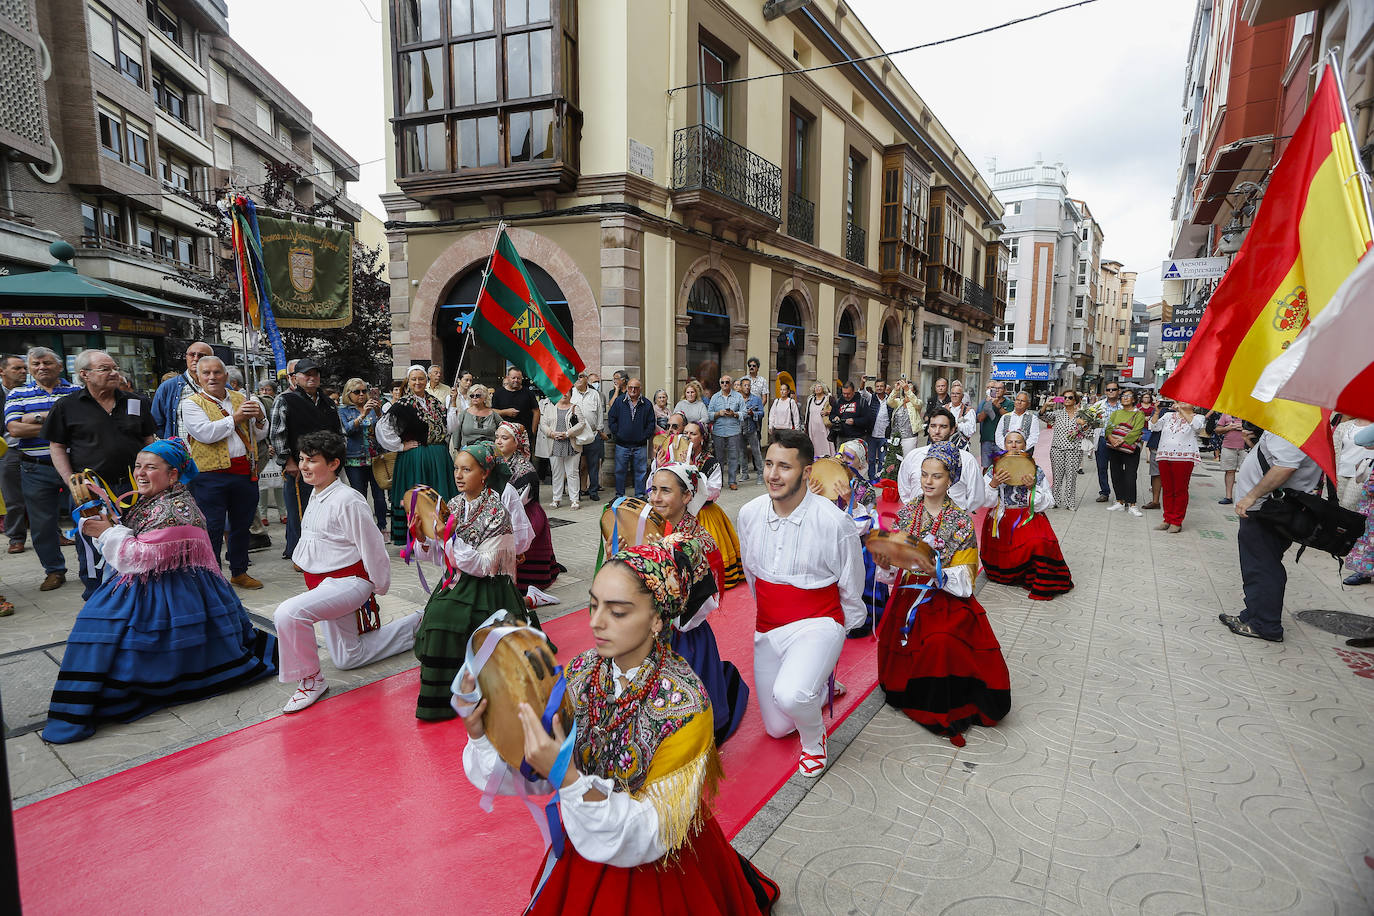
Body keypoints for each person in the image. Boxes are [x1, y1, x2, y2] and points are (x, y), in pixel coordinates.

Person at [456, 536, 780, 915]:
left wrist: (567, 776)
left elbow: (649, 833)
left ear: (658, 618)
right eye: (593, 605)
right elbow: (536, 766)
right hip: (588, 834)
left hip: (656, 859)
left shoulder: (686, 707)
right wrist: (484, 736)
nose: (595, 622)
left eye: (618, 611)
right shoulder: (580, 673)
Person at [43, 439, 277, 742]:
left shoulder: (175, 508)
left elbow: (137, 557)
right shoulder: (155, 498)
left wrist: (107, 532)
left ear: (174, 475)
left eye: (151, 467)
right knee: (97, 626)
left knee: (111, 631)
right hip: (159, 581)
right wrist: (109, 525)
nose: (140, 473)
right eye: (138, 465)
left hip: (171, 588)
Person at [738, 430, 865, 777]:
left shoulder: (834, 521)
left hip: (817, 621)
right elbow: (751, 573)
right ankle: (820, 687)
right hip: (767, 626)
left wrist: (836, 635)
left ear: (807, 472)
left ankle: (814, 742)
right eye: (768, 464)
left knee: (792, 695)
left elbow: (851, 584)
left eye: (784, 467)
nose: (773, 475)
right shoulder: (749, 514)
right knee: (777, 727)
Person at [872, 442, 1011, 746]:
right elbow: (895, 567)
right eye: (924, 475)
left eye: (936, 476)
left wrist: (936, 571)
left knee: (942, 641)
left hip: (947, 597)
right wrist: (885, 563)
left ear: (951, 479)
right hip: (910, 596)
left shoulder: (961, 520)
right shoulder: (907, 514)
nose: (928, 481)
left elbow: (966, 578)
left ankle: (945, 702)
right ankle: (918, 693)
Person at [273, 431, 421, 714]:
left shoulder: (348, 499)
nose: (304, 466)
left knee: (288, 613)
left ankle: (311, 680)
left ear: (333, 464)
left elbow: (373, 545)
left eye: (312, 461)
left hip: (349, 582)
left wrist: (378, 584)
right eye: (302, 459)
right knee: (347, 657)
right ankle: (417, 625)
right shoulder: (316, 493)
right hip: (323, 583)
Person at [411, 440, 528, 721]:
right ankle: (444, 689)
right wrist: (424, 540)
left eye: (467, 469)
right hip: (458, 580)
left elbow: (486, 566)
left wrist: (447, 538)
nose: (458, 475)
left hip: (489, 588)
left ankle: (454, 692)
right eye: (456, 469)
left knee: (445, 614)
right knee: (437, 613)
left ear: (485, 473)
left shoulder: (497, 510)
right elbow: (441, 559)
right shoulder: (452, 505)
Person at [647, 464, 749, 745]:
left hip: (683, 637)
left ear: (687, 496)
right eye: (653, 489)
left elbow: (702, 603)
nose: (656, 497)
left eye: (665, 490)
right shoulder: (649, 528)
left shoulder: (697, 542)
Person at [43, 350, 154, 599]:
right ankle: (98, 599)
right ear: (85, 374)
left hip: (134, 488)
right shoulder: (67, 406)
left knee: (139, 540)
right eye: (105, 369)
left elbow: (149, 441)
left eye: (115, 367)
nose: (114, 373)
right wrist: (71, 481)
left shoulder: (135, 402)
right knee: (93, 547)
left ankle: (139, 594)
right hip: (90, 492)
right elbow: (57, 446)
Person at [1219, 431, 1324, 642]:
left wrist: (1252, 496)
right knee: (1261, 562)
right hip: (1273, 507)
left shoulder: (1293, 423)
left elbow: (1286, 465)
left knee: (1262, 565)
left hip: (1266, 508)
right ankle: (1253, 614)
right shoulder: (1297, 422)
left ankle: (1265, 625)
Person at [179, 355, 267, 590]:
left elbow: (258, 436)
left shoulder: (244, 398)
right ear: (197, 377)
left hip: (244, 471)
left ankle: (239, 571)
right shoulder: (191, 403)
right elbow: (206, 434)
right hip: (210, 475)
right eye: (206, 373)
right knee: (213, 527)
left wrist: (259, 418)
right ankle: (212, 575)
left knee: (242, 523)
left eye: (217, 372)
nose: (212, 377)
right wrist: (237, 418)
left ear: (226, 376)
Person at [4, 348, 81, 591]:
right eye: (35, 363)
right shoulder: (18, 393)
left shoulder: (76, 392)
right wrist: (58, 420)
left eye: (47, 362)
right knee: (42, 525)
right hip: (35, 469)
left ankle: (92, 568)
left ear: (59, 366)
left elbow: (80, 426)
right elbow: (15, 430)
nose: (41, 367)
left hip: (74, 467)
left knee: (87, 517)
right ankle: (54, 571)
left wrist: (34, 418)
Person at [981, 431, 1071, 600]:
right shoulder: (994, 469)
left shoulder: (1035, 469)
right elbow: (986, 502)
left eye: (1018, 442)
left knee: (1040, 542)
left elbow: (1048, 502)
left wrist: (1032, 488)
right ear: (1004, 445)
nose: (1014, 446)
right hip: (1003, 517)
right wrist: (994, 484)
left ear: (1025, 445)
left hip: (1028, 515)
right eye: (1010, 442)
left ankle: (1038, 578)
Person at [268, 357, 344, 558]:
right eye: (307, 374)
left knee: (325, 510)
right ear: (295, 378)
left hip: (326, 467)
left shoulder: (327, 401)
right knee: (300, 511)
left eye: (315, 374)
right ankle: (298, 553)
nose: (312, 378)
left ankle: (323, 550)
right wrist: (288, 461)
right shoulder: (285, 399)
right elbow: (277, 434)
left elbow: (338, 432)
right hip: (300, 467)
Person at [814, 439, 887, 639]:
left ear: (861, 465)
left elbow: (864, 525)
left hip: (859, 548)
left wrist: (851, 502)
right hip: (830, 545)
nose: (842, 459)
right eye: (840, 454)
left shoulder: (864, 489)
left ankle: (861, 620)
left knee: (857, 581)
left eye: (849, 457)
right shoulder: (828, 481)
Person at [378, 366, 457, 545]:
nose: (417, 382)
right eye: (414, 379)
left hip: (439, 456)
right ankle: (418, 538)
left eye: (421, 378)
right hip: (415, 458)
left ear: (426, 380)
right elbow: (384, 428)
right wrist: (400, 446)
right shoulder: (403, 404)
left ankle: (441, 535)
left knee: (438, 494)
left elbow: (450, 428)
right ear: (409, 381)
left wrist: (452, 404)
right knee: (418, 497)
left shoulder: (435, 402)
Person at [670, 422, 744, 588]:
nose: (688, 436)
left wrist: (692, 469)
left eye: (693, 434)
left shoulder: (711, 462)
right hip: (679, 514)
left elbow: (713, 491)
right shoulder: (675, 457)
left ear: (702, 438)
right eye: (686, 432)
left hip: (704, 513)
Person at [496, 421, 565, 589]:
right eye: (497, 437)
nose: (498, 441)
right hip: (503, 510)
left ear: (517, 442)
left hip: (524, 514)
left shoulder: (525, 470)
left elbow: (517, 504)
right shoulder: (496, 461)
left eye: (504, 438)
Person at [896, 408, 992, 512]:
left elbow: (977, 496)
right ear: (928, 429)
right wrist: (915, 511)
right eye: (933, 426)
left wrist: (958, 514)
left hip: (953, 522)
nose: (937, 431)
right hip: (918, 520)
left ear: (952, 430)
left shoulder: (966, 460)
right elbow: (904, 488)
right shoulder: (914, 456)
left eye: (943, 427)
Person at [338, 378, 388, 531]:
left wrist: (379, 413)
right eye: (357, 392)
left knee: (379, 495)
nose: (361, 394)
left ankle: (382, 526)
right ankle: (364, 529)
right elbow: (347, 430)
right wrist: (362, 415)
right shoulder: (343, 410)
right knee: (359, 496)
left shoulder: (373, 408)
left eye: (364, 391)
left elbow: (385, 428)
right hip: (354, 460)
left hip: (375, 458)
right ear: (349, 394)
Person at [1150, 401, 1205, 532]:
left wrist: (1182, 411)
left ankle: (1177, 521)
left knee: (1180, 489)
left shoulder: (1199, 417)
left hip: (1184, 457)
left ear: (1194, 405)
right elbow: (1154, 427)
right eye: (1179, 401)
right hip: (1165, 454)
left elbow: (1197, 427)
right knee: (1167, 488)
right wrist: (1157, 412)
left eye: (1185, 401)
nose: (1181, 403)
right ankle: (1167, 518)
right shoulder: (1169, 415)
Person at [150, 341, 212, 439]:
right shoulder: (168, 387)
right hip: (182, 451)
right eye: (192, 355)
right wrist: (172, 444)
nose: (196, 359)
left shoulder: (222, 386)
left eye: (201, 355)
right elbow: (156, 422)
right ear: (186, 357)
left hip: (217, 451)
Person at [1, 354, 31, 554]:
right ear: (2, 371)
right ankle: (16, 538)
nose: (23, 372)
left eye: (24, 368)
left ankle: (55, 533)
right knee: (12, 498)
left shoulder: (31, 392)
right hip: (8, 451)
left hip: (34, 448)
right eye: (17, 368)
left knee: (44, 496)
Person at [608, 377, 655, 499]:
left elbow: (651, 423)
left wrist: (644, 436)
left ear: (640, 389)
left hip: (640, 445)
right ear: (627, 388)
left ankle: (639, 495)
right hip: (622, 445)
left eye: (636, 388)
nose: (633, 390)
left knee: (641, 472)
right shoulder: (619, 401)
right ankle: (619, 496)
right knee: (620, 472)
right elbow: (612, 419)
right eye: (630, 387)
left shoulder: (647, 404)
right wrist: (618, 433)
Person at [1043, 390, 1089, 510]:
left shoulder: (1082, 414)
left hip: (1074, 450)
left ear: (1075, 400)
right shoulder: (1057, 413)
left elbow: (1088, 431)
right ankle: (1055, 501)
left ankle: (1069, 502)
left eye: (1070, 397)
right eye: (1065, 397)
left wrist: (1083, 425)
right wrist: (1045, 405)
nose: (1067, 399)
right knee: (1057, 477)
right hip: (1057, 448)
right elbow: (1043, 417)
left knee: (1071, 477)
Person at [1104, 389, 1146, 516]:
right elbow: (1109, 427)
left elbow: (1137, 431)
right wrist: (1111, 439)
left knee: (1130, 475)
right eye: (1123, 396)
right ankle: (1119, 501)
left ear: (1133, 399)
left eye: (1128, 396)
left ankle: (1132, 504)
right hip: (1114, 447)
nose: (1125, 398)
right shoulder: (1116, 413)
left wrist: (1121, 441)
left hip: (1130, 448)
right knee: (1115, 473)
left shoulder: (1139, 414)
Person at [540, 393, 585, 509]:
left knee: (572, 473)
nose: (564, 394)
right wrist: (551, 433)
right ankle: (556, 499)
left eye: (567, 392)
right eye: (561, 392)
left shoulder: (575, 407)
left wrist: (567, 433)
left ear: (571, 394)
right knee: (556, 473)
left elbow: (581, 423)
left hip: (571, 444)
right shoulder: (550, 407)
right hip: (555, 443)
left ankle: (574, 500)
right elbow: (543, 424)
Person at [569, 372, 605, 502]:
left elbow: (600, 413)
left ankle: (593, 490)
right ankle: (576, 492)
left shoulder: (594, 394)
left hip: (593, 434)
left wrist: (600, 431)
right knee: (576, 465)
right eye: (576, 378)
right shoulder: (571, 394)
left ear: (586, 379)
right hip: (576, 436)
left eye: (580, 377)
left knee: (593, 464)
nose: (578, 380)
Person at [707, 375, 745, 491]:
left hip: (734, 431)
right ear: (720, 384)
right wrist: (718, 413)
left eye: (727, 382)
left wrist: (734, 414)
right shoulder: (714, 397)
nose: (724, 384)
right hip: (718, 431)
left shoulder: (738, 396)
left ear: (731, 384)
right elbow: (708, 414)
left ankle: (732, 481)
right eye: (722, 382)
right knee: (719, 458)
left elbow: (744, 413)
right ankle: (719, 482)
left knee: (733, 457)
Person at [255, 379, 282, 532]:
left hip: (276, 449)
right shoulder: (258, 404)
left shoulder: (276, 404)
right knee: (262, 487)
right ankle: (263, 515)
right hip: (264, 449)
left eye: (268, 390)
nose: (265, 393)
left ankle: (283, 512)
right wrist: (267, 445)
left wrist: (274, 446)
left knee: (279, 485)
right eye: (262, 390)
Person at [1090, 382, 1125, 502]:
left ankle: (1120, 494)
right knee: (1102, 467)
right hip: (1102, 440)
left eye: (1114, 389)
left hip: (1119, 440)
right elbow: (1088, 419)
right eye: (1108, 390)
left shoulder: (1124, 406)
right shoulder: (1098, 405)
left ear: (1119, 391)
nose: (1111, 392)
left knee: (1118, 468)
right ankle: (1104, 492)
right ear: (1105, 392)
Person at [1334, 415, 1373, 510]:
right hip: (1339, 471)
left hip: (1361, 475)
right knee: (1331, 504)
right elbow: (1333, 450)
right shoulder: (1344, 426)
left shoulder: (1371, 430)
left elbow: (1359, 440)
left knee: (1348, 506)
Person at [491, 365, 540, 438]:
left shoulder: (528, 393)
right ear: (507, 378)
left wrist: (533, 432)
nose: (516, 380)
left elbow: (536, 411)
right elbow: (492, 411)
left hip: (524, 435)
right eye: (513, 378)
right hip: (504, 435)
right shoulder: (499, 393)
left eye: (518, 378)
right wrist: (505, 412)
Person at [976, 380, 1014, 468]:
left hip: (1001, 442)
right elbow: (980, 418)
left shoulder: (1009, 403)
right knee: (986, 466)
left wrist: (996, 404)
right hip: (987, 440)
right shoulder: (986, 401)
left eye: (999, 388)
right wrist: (988, 404)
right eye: (994, 388)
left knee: (1000, 466)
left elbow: (1007, 417)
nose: (996, 390)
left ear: (1005, 390)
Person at [829, 381, 873, 455]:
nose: (846, 396)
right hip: (842, 437)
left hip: (858, 437)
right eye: (844, 393)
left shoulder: (861, 401)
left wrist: (855, 421)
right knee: (841, 459)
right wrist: (835, 417)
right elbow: (832, 415)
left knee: (856, 460)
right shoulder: (839, 401)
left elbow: (868, 419)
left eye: (848, 394)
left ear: (853, 391)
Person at [450, 383, 499, 449]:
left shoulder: (493, 414)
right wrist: (457, 449)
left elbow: (504, 428)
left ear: (485, 397)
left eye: (478, 395)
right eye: (472, 396)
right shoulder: (464, 414)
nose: (474, 397)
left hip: (489, 451)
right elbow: (456, 432)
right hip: (467, 450)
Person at [738, 377, 764, 484]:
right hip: (739, 429)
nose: (747, 387)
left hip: (752, 428)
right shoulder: (737, 399)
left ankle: (760, 475)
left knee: (756, 452)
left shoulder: (756, 399)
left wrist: (754, 414)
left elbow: (762, 413)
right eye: (745, 385)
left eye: (749, 385)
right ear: (740, 387)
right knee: (742, 452)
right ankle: (744, 474)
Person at [803, 384, 833, 459]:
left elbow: (835, 410)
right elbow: (807, 413)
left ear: (823, 388)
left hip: (824, 427)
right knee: (814, 445)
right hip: (812, 428)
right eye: (815, 387)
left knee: (825, 444)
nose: (817, 388)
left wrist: (828, 412)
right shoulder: (810, 399)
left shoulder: (828, 399)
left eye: (819, 386)